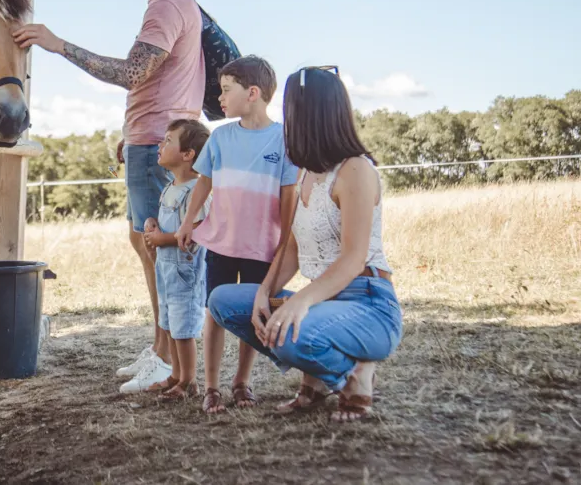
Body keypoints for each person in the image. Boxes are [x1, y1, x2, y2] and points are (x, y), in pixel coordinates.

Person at [12, 0, 205, 388]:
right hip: (151, 138)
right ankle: (160, 349)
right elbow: (160, 80)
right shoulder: (172, 3)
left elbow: (132, 73)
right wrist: (136, 133)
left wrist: (59, 46)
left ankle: (169, 361)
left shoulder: (166, 7)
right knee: (145, 244)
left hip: (156, 141)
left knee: (160, 250)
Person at [207, 66, 404, 422]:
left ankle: (354, 377)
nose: (286, 120)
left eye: (291, 110)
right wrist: (265, 292)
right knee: (223, 300)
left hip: (368, 304)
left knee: (290, 330)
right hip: (322, 300)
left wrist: (297, 303)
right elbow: (292, 250)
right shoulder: (303, 173)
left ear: (310, 115)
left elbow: (352, 258)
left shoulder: (355, 170)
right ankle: (314, 377)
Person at [175, 56, 299, 414]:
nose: (220, 98)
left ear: (254, 93)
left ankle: (241, 382)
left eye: (227, 90)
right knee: (214, 310)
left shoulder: (284, 140)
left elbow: (288, 195)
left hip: (263, 246)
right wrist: (187, 223)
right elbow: (204, 183)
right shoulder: (220, 138)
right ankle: (211, 386)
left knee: (252, 314)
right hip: (221, 242)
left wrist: (285, 241)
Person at [119, 119, 212, 396]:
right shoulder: (170, 186)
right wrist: (152, 225)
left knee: (183, 329)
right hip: (166, 269)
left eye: (168, 141)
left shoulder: (196, 190)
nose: (160, 145)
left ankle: (188, 381)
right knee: (169, 322)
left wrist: (162, 239)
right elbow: (169, 223)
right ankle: (174, 374)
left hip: (185, 271)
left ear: (188, 154)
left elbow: (197, 232)